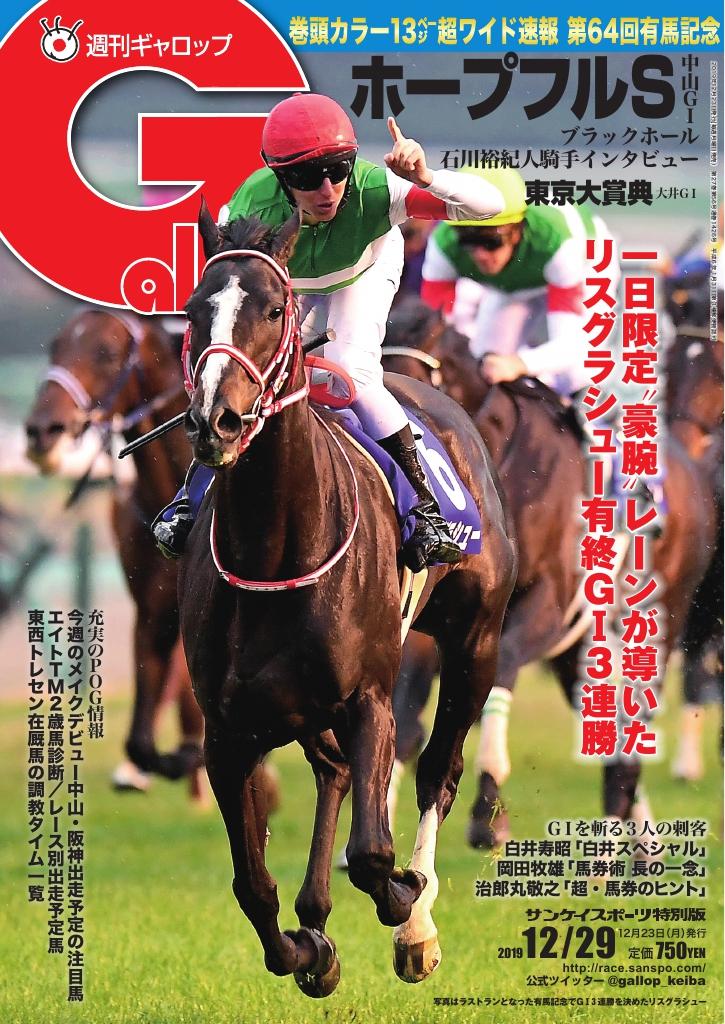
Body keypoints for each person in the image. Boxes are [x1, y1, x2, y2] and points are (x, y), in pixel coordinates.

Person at [154, 93, 505, 570]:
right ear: (280, 177)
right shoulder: (248, 205)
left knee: (349, 372)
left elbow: (491, 206)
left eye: (338, 169)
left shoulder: (378, 189)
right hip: (288, 284)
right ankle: (188, 499)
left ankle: (426, 507)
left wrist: (426, 178)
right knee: (248, 377)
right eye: (305, 177)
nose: (326, 189)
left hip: (364, 270)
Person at [421, 166, 618, 397]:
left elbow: (571, 345)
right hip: (511, 287)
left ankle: (594, 414)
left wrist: (519, 364)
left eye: (491, 241)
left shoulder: (557, 244)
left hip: (586, 265)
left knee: (578, 373)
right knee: (485, 364)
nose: (480, 254)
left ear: (517, 230)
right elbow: (430, 331)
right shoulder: (443, 244)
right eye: (467, 240)